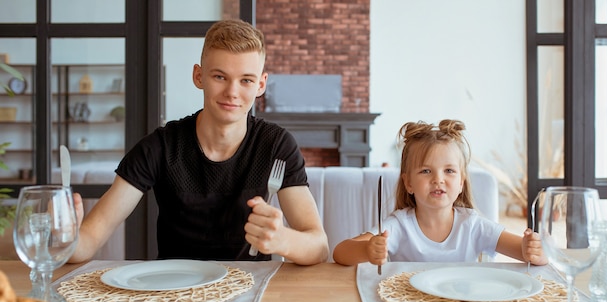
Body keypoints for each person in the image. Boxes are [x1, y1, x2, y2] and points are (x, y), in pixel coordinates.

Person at [69, 19, 329, 265]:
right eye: (219, 77)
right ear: (198, 76)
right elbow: (90, 240)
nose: (232, 92)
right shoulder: (160, 147)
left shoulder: (276, 145)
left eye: (246, 80)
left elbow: (318, 247)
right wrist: (68, 240)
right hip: (174, 293)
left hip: (248, 290)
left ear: (261, 84)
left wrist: (284, 240)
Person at [332, 119, 547, 267]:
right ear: (408, 183)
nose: (438, 179)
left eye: (449, 171)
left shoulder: (473, 225)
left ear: (461, 182)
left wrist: (532, 249)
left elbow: (528, 254)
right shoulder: (399, 225)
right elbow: (340, 252)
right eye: (426, 171)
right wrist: (367, 250)